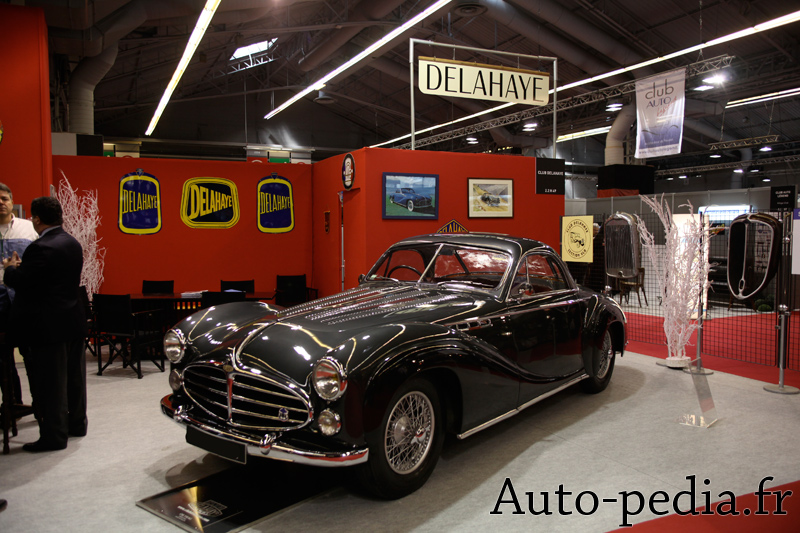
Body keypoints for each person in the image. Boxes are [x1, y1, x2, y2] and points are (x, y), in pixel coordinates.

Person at [3, 196, 87, 452]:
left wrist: (10, 269)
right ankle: (77, 424)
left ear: (37, 219)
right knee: (74, 380)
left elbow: (25, 283)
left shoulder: (40, 247)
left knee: (51, 384)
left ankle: (54, 437)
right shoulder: (72, 242)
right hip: (72, 321)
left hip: (48, 326)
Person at [0, 183, 38, 407]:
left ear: (12, 202)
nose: (1, 203)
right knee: (2, 359)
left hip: (24, 301)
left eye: (4, 198)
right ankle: (12, 404)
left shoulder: (28, 228)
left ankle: (40, 405)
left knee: (31, 355)